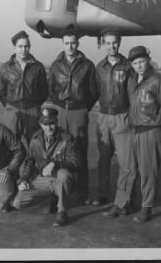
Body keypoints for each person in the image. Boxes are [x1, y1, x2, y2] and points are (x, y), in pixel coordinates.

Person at [126, 46, 161, 223]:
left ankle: (146, 208)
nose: (139, 66)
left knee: (149, 171)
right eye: (135, 63)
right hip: (135, 130)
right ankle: (133, 202)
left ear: (148, 60)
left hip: (151, 131)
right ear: (131, 65)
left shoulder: (157, 80)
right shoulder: (132, 80)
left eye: (141, 61)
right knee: (134, 169)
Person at [48, 29, 99, 205]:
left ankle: (82, 193)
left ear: (78, 43)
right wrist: (58, 106)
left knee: (79, 150)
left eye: (73, 42)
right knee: (58, 150)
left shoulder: (87, 65)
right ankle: (58, 193)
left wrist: (84, 108)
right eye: (67, 43)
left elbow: (94, 91)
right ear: (63, 43)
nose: (70, 46)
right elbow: (51, 89)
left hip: (79, 112)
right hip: (61, 111)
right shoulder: (56, 65)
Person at [12, 107, 80, 227]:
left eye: (52, 123)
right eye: (45, 124)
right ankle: (49, 201)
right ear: (40, 124)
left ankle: (62, 211)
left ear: (57, 122)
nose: (49, 128)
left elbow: (75, 162)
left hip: (60, 180)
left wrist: (55, 163)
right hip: (42, 179)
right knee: (18, 202)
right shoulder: (35, 138)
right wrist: (24, 179)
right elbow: (30, 161)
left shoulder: (67, 138)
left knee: (63, 174)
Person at [92, 29, 134, 216]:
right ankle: (102, 193)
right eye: (108, 43)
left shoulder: (128, 67)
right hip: (103, 116)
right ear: (102, 44)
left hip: (122, 115)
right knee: (103, 159)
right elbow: (93, 92)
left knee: (126, 161)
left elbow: (134, 94)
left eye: (114, 42)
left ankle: (123, 200)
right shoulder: (99, 67)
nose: (112, 46)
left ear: (120, 42)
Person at [0, 31, 49, 147]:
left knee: (36, 145)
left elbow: (44, 90)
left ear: (29, 47)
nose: (23, 50)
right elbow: (1, 91)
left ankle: (33, 166)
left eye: (26, 46)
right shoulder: (6, 67)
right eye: (20, 46)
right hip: (12, 110)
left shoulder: (38, 67)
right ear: (14, 48)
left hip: (32, 110)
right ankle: (13, 166)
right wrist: (10, 106)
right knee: (10, 145)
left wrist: (34, 104)